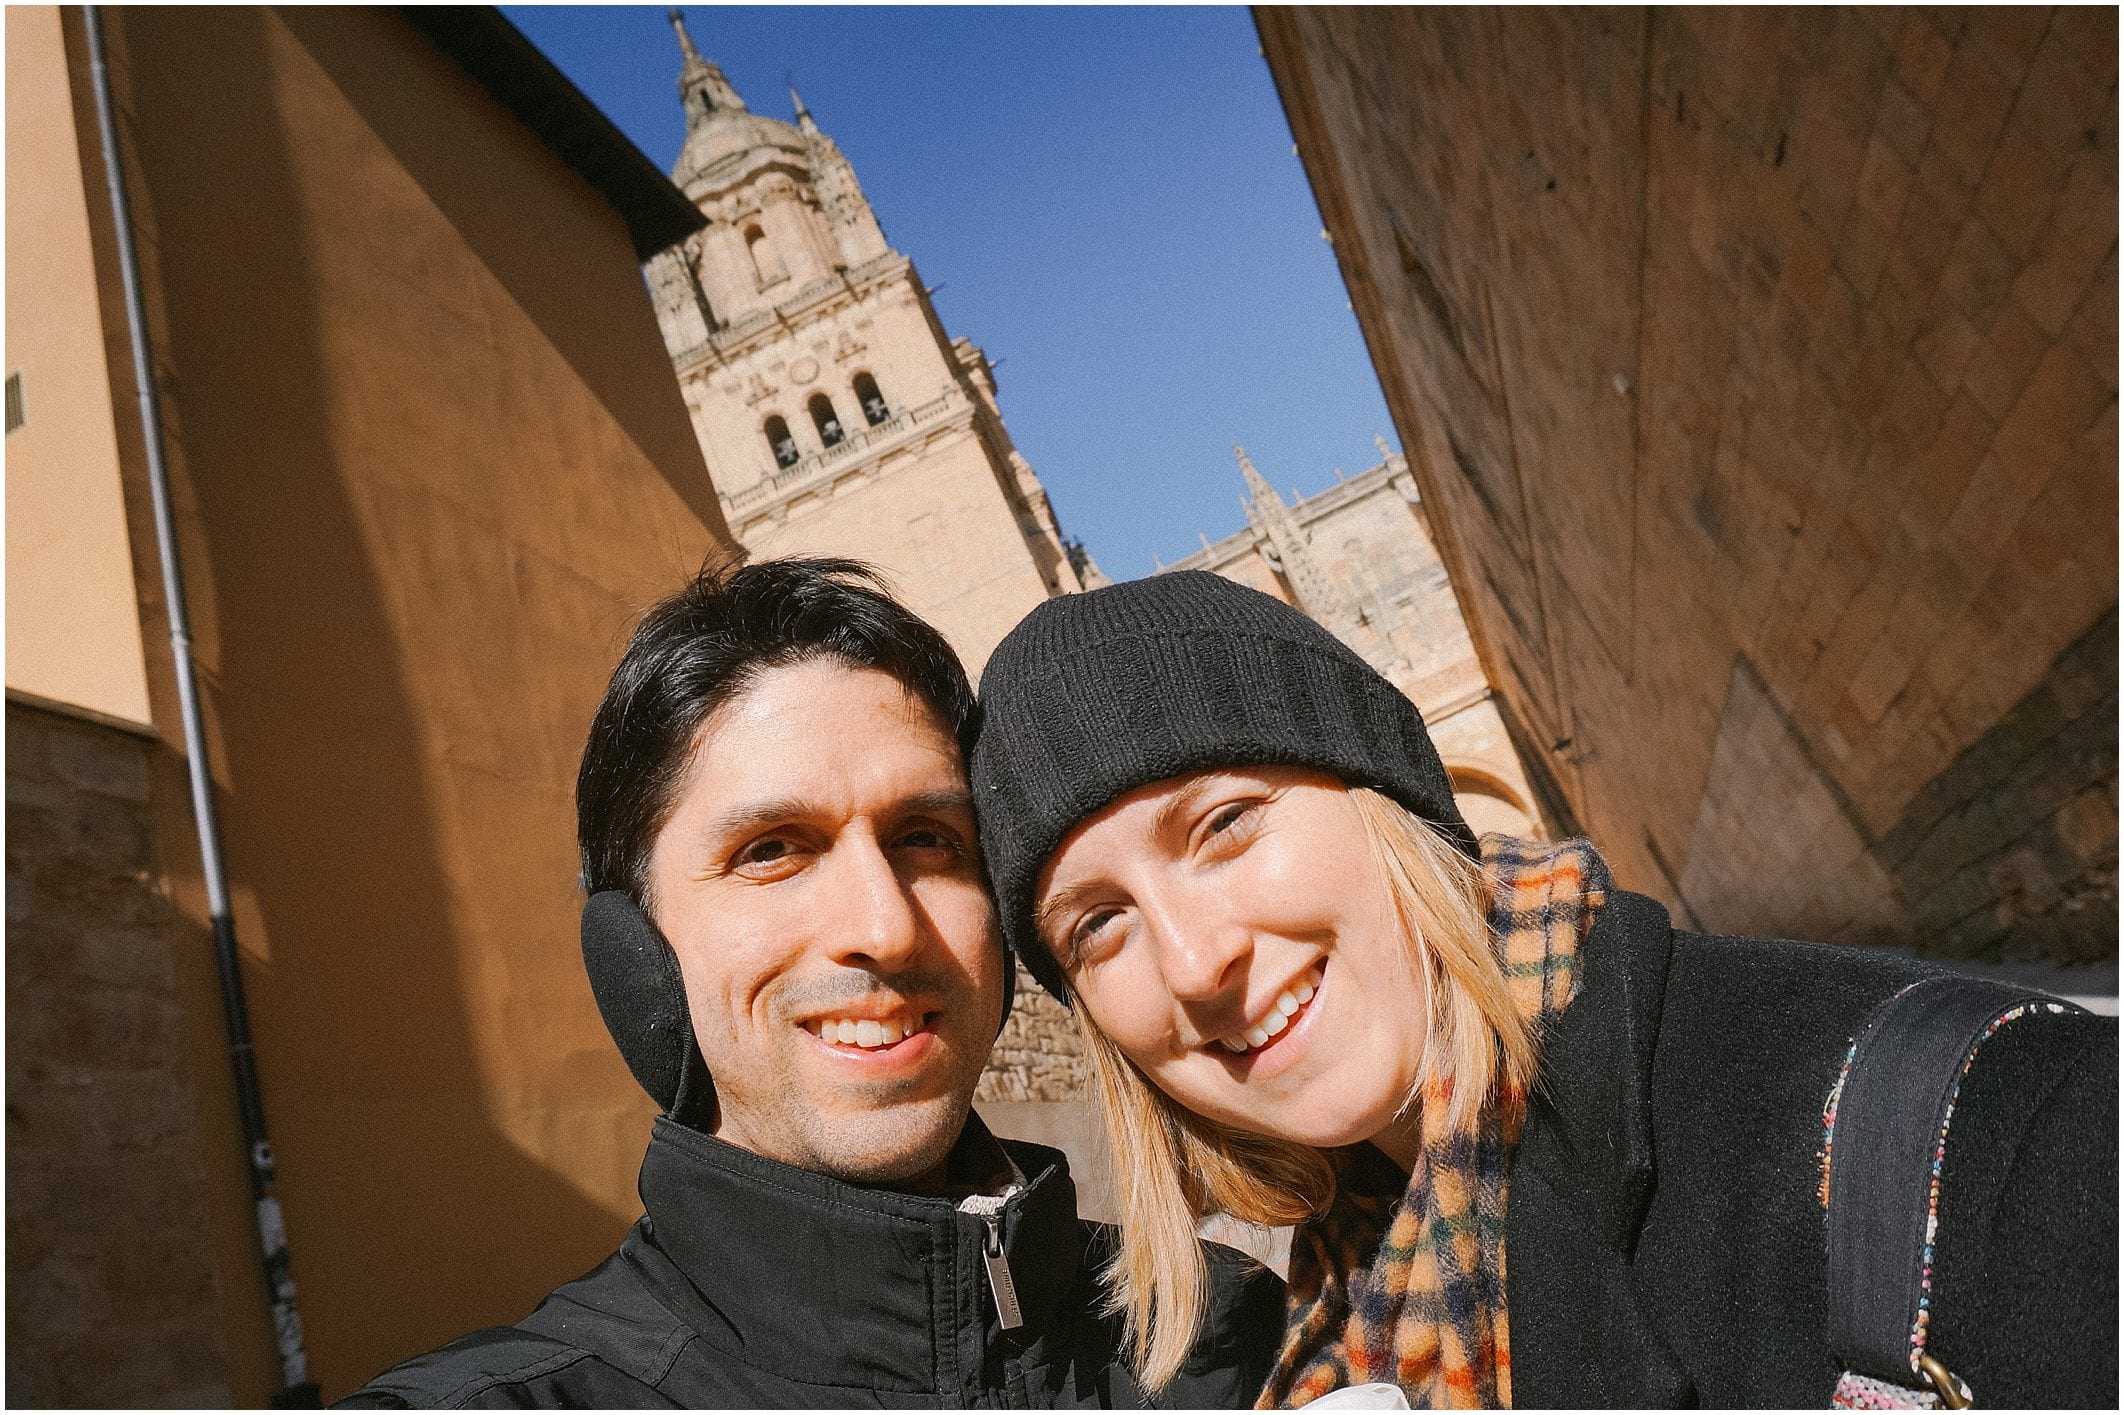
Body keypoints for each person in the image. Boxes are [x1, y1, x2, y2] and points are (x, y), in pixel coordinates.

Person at [969, 570, 2117, 1409]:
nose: (1192, 960)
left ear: (1387, 800)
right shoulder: (1307, 1326)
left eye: (1224, 824)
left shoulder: (1995, 1131)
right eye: (1098, 924)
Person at [342, 559, 1281, 1408]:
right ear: (635, 959)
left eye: (926, 839)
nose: (886, 926)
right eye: (772, 850)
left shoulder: (1241, 1343)